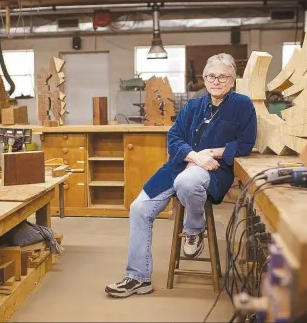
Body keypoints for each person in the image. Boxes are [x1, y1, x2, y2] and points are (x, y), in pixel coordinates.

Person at [105, 53, 257, 298]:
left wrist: (212, 153)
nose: (216, 81)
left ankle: (194, 228)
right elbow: (173, 139)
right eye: (211, 76)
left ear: (232, 81)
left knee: (187, 182)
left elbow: (245, 144)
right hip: (178, 165)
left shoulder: (242, 105)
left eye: (223, 77)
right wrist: (194, 156)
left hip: (214, 170)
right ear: (204, 79)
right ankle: (138, 277)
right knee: (138, 208)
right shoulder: (194, 105)